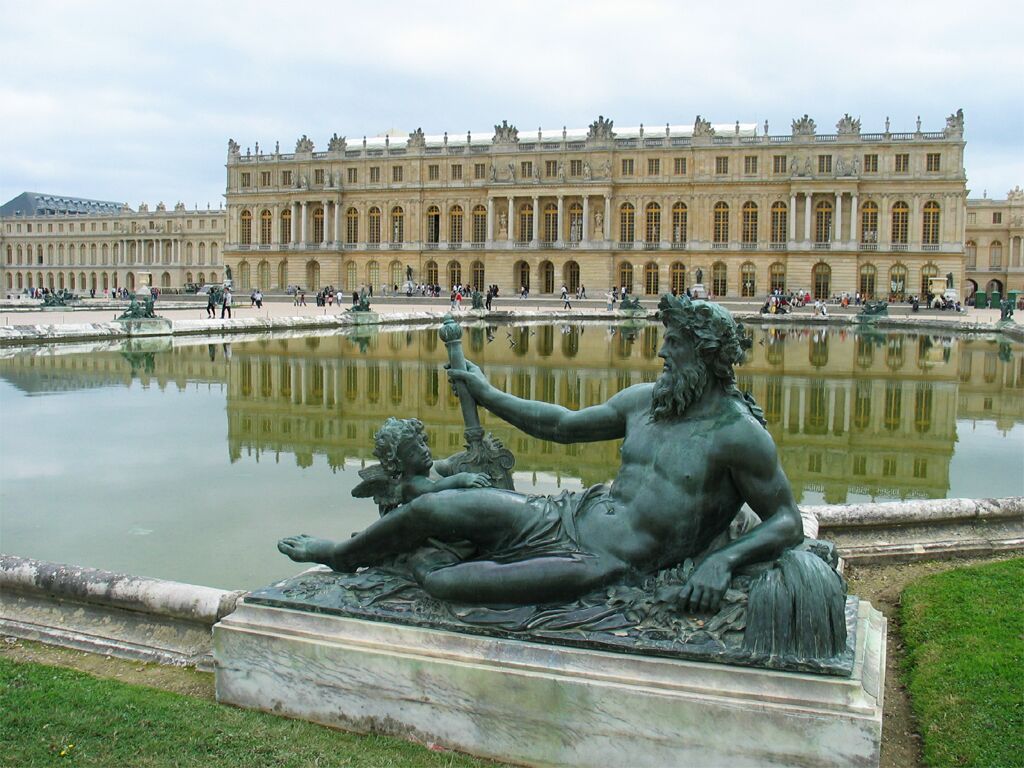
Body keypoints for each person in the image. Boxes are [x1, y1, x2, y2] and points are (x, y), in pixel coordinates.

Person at [279, 294, 803, 611]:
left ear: (706, 355)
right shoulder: (647, 402)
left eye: (675, 344)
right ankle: (341, 555)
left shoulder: (738, 434)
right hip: (562, 515)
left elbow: (785, 520)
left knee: (446, 584)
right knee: (433, 508)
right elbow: (563, 425)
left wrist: (725, 562)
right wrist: (486, 393)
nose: (662, 352)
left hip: (603, 562)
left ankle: (420, 558)